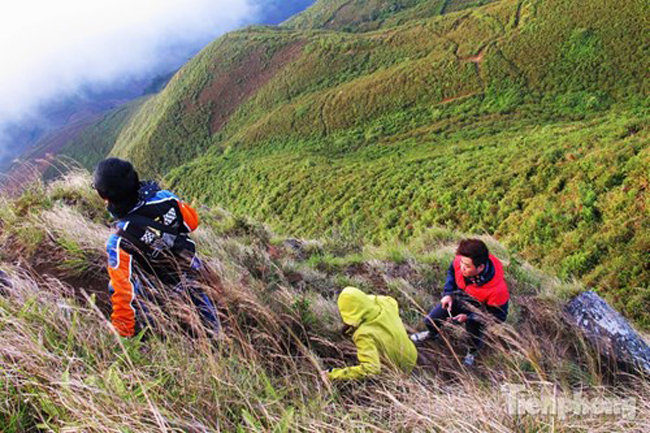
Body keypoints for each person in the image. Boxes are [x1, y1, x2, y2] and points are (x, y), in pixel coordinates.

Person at [93, 158, 220, 338]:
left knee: (135, 285)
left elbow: (123, 292)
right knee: (201, 299)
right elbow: (192, 223)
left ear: (104, 197)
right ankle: (216, 334)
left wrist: (123, 334)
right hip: (189, 262)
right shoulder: (165, 197)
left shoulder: (118, 242)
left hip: (165, 281)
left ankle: (182, 334)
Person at [410, 239, 509, 366]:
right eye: (461, 262)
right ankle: (432, 334)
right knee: (430, 320)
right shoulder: (461, 260)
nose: (461, 267)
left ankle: (472, 351)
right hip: (457, 299)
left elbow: (498, 316)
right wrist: (448, 294)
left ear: (480, 267)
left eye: (467, 266)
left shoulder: (498, 290)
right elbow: (451, 271)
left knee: (474, 333)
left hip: (478, 310)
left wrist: (469, 317)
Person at [322, 287, 417, 381]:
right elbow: (390, 300)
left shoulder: (363, 334)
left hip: (398, 369)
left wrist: (333, 375)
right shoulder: (386, 304)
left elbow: (371, 369)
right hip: (412, 354)